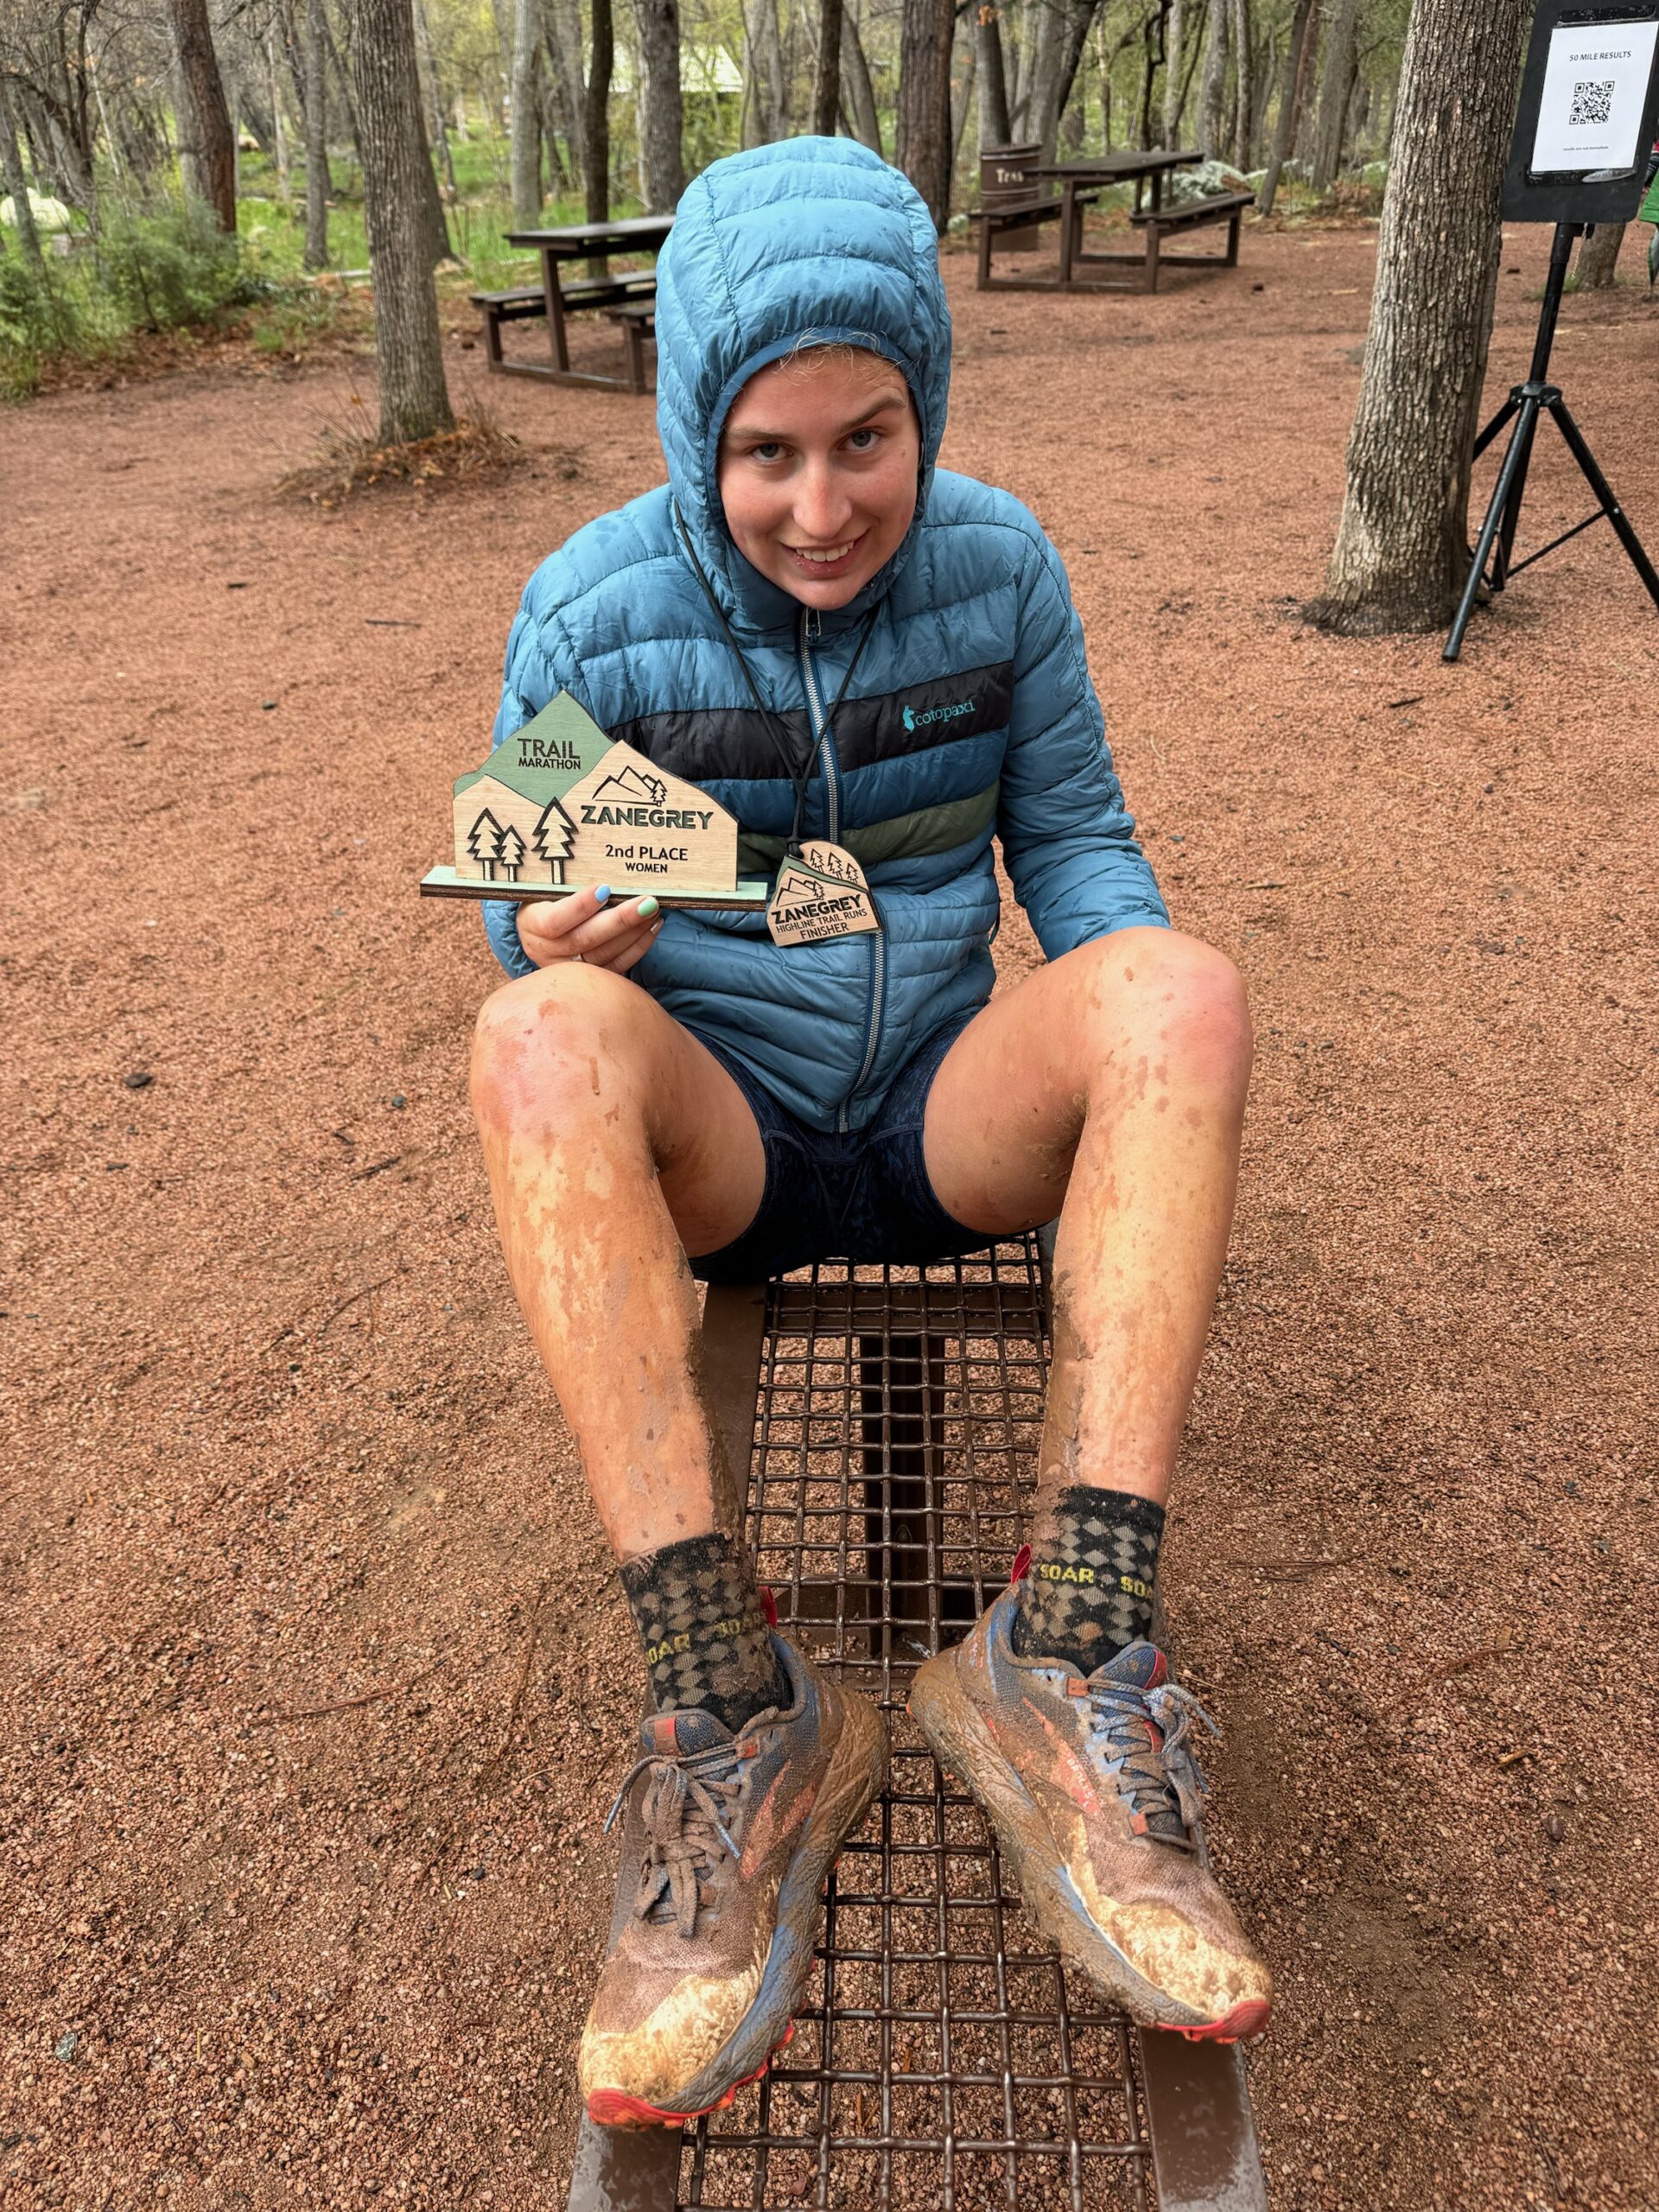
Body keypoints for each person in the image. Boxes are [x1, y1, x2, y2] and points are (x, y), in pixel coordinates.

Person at [468, 139, 1271, 2132]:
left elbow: (1077, 845)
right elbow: (513, 885)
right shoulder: (585, 611)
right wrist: (544, 929)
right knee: (534, 1037)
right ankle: (731, 1705)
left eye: (867, 439)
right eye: (767, 451)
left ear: (928, 410)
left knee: (1182, 989)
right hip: (726, 1137)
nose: (821, 507)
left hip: (938, 1113)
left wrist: (1121, 1050)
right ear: (697, 433)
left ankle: (1062, 1656)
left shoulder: (1003, 571)